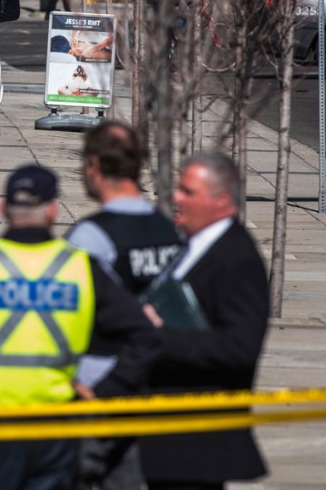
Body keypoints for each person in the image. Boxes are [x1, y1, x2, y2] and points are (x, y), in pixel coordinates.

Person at [0, 164, 162, 490]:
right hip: (54, 432)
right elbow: (144, 336)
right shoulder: (79, 267)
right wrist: (103, 392)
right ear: (54, 210)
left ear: (4, 209)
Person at [138, 152, 269, 489]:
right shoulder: (194, 245)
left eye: (188, 192)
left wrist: (159, 336)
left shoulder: (237, 258)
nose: (176, 198)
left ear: (221, 200)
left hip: (195, 443)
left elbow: (240, 346)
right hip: (167, 436)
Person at [64, 121, 183, 489]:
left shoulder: (90, 236)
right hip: (152, 385)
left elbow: (67, 315)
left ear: (95, 166)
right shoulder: (169, 232)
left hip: (96, 387)